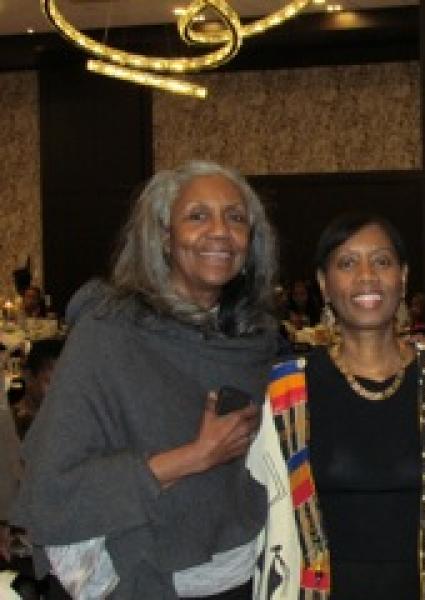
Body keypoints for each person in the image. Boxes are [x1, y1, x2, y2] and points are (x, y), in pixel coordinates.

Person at [11, 160, 280, 599]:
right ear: (163, 236)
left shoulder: (254, 341)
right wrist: (196, 455)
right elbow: (51, 488)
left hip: (242, 573)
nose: (219, 231)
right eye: (197, 216)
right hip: (145, 580)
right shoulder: (110, 334)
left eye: (235, 217)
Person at [246, 213, 425, 600]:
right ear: (324, 283)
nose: (366, 276)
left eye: (381, 261)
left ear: (403, 276)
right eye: (347, 263)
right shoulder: (288, 389)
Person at [11, 338, 64, 440]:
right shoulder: (12, 425)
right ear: (28, 377)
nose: (60, 393)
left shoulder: (66, 423)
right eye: (51, 383)